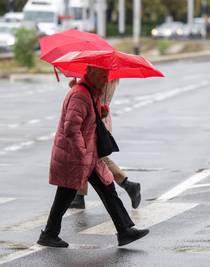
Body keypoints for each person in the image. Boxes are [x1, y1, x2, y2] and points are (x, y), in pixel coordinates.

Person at [37, 66, 149, 248]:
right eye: (103, 75)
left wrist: (101, 111)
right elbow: (71, 128)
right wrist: (81, 153)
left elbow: (88, 121)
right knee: (65, 194)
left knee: (107, 189)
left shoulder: (90, 93)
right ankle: (49, 234)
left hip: (89, 155)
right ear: (92, 75)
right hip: (77, 155)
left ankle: (125, 230)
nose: (106, 79)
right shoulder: (80, 95)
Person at [68, 79, 142, 210]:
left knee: (94, 158)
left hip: (95, 120)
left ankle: (128, 184)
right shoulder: (110, 75)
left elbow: (89, 97)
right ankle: (79, 196)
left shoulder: (99, 76)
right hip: (100, 118)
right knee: (83, 157)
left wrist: (76, 88)